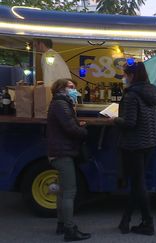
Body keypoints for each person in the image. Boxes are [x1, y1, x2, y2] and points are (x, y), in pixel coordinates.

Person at [114, 62, 156, 235]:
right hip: (151, 141)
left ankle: (148, 223)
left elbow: (129, 123)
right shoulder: (153, 91)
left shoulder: (131, 95)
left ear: (132, 76)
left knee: (138, 183)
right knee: (137, 183)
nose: (124, 78)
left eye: (126, 75)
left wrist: (114, 119)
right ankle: (125, 220)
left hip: (135, 144)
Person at [47, 79, 91, 242]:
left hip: (58, 151)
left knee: (62, 190)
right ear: (62, 89)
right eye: (71, 87)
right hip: (62, 152)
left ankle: (61, 224)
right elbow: (70, 129)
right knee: (69, 192)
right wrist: (83, 130)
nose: (74, 90)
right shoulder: (61, 104)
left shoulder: (60, 103)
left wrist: (76, 123)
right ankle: (69, 230)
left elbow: (66, 124)